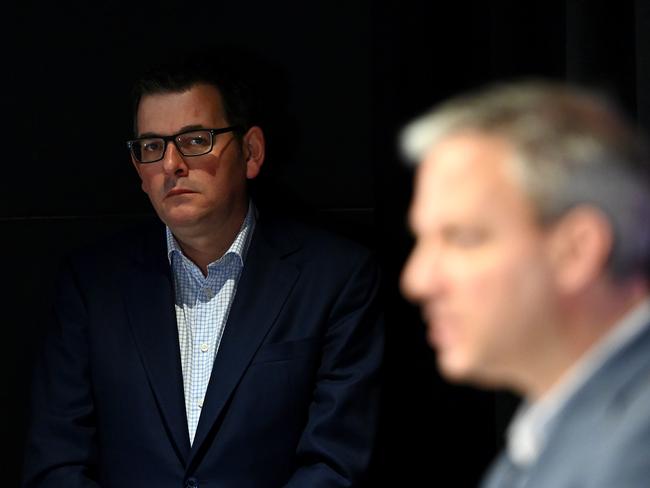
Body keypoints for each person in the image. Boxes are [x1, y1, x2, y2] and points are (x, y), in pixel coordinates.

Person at [23, 55, 383, 487]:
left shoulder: (335, 278)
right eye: (152, 147)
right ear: (139, 170)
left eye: (195, 140)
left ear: (251, 152)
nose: (171, 164)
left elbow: (335, 464)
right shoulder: (92, 284)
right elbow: (57, 461)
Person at [399, 81, 650, 487]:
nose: (417, 281)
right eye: (422, 239)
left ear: (576, 251)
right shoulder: (560, 427)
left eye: (462, 238)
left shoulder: (636, 452)